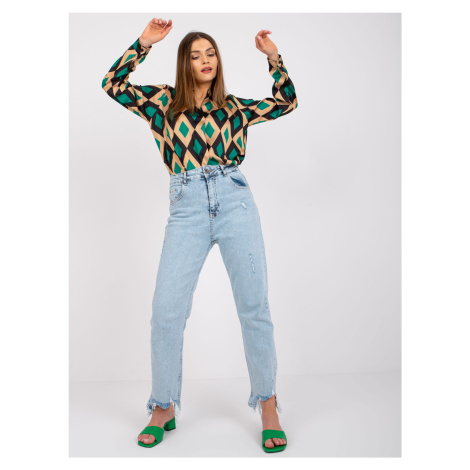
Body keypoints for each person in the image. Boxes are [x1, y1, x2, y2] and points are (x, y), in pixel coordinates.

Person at [101, 17, 298, 452]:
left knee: (254, 306)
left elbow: (287, 102)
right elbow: (112, 85)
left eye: (211, 53)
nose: (206, 60)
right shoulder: (161, 103)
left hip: (235, 202)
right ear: (184, 63)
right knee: (166, 312)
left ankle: (268, 404)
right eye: (195, 55)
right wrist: (144, 43)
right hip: (186, 207)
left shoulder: (235, 108)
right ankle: (163, 405)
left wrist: (273, 58)